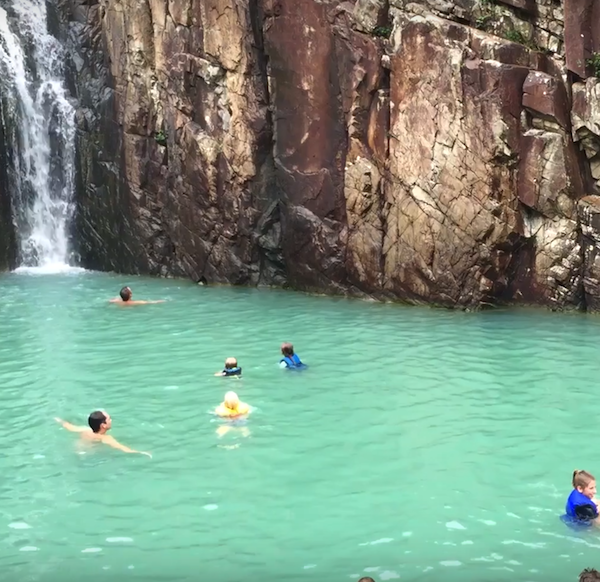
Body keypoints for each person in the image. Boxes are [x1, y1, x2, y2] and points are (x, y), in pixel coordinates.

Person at [54, 411, 151, 457]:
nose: (111, 420)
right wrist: (140, 453)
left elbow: (68, 426)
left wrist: (58, 420)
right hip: (87, 455)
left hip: (76, 449)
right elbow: (123, 448)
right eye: (109, 419)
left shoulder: (85, 429)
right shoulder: (105, 438)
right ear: (103, 425)